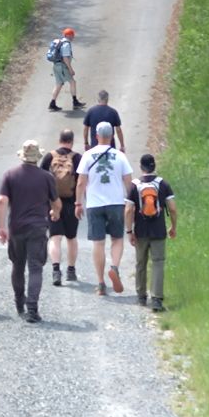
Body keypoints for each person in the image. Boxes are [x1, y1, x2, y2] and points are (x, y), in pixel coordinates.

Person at [0, 140, 61, 323]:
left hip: (16, 227)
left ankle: (19, 302)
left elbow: (1, 201)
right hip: (38, 227)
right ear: (37, 157)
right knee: (35, 268)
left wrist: (1, 226)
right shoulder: (46, 177)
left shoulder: (10, 174)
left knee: (17, 265)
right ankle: (32, 308)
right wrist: (55, 213)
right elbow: (56, 202)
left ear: (22, 156)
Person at [75, 121, 133, 296]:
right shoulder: (120, 156)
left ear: (96, 136)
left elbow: (81, 182)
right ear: (112, 136)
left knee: (98, 243)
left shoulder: (87, 155)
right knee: (117, 239)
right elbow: (128, 181)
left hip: (94, 204)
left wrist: (78, 203)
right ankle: (114, 267)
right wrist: (131, 202)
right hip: (116, 202)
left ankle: (101, 283)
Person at [125, 153, 178, 312]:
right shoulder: (163, 184)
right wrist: (173, 226)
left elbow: (128, 210)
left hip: (140, 231)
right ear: (154, 166)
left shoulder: (134, 185)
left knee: (141, 262)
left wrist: (129, 231)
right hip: (158, 230)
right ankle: (156, 300)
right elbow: (172, 208)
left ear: (141, 167)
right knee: (158, 263)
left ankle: (141, 296)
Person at [39, 128, 82, 286]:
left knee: (55, 238)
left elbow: (41, 179)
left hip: (52, 203)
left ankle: (56, 271)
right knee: (71, 238)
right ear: (72, 141)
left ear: (60, 140)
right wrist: (79, 202)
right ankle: (71, 270)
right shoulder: (77, 158)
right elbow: (82, 182)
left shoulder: (50, 157)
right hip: (71, 202)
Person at [49, 27, 86, 112]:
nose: (73, 37)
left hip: (56, 66)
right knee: (72, 82)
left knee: (59, 84)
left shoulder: (60, 42)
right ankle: (75, 102)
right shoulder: (66, 44)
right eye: (72, 35)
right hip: (63, 67)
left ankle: (52, 103)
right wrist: (70, 69)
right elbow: (65, 58)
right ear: (69, 35)